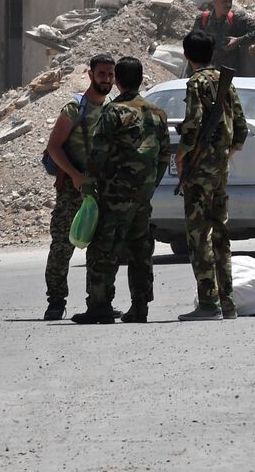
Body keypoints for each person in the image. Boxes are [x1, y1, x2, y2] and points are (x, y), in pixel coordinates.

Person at [72, 57, 171, 325]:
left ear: (116, 80)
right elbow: (164, 156)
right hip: (142, 197)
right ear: (140, 80)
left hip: (114, 195)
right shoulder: (157, 114)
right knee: (140, 251)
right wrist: (149, 185)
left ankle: (100, 306)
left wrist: (90, 187)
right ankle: (140, 307)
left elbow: (98, 154)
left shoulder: (112, 112)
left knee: (103, 249)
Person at [174, 30, 249, 321]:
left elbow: (192, 123)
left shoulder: (196, 82)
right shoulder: (225, 82)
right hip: (219, 168)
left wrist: (181, 156)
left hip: (200, 167)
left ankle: (208, 303)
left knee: (198, 234)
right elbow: (241, 125)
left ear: (186, 54)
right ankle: (227, 302)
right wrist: (227, 152)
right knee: (220, 233)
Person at [40, 53, 114, 321]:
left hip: (100, 191)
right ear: (91, 75)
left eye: (110, 74)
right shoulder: (75, 108)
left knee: (101, 249)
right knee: (62, 245)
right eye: (102, 74)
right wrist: (74, 175)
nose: (106, 79)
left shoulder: (111, 110)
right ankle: (56, 301)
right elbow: (54, 147)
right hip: (73, 190)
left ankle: (97, 300)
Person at [191, 0, 255, 70]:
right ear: (215, 1)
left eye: (230, 1)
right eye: (224, 1)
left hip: (229, 73)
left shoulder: (237, 18)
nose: (228, 5)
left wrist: (238, 41)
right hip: (207, 73)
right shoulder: (203, 19)